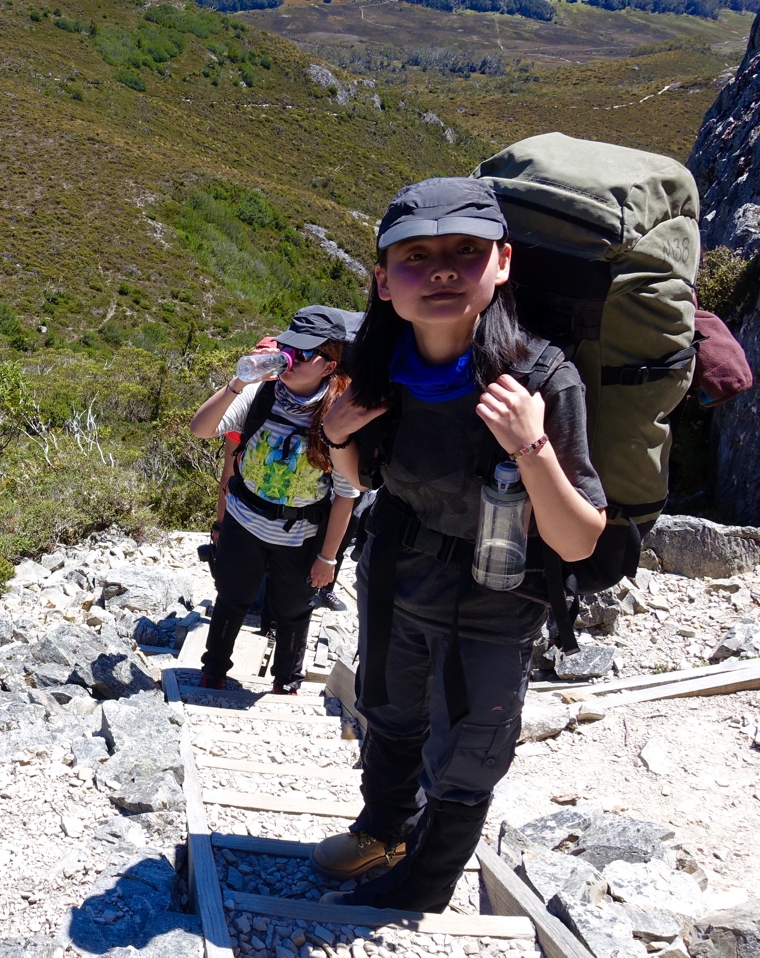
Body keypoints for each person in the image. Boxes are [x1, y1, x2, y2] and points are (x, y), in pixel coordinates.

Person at [311, 178, 606, 911]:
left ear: (501, 263)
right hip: (396, 569)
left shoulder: (540, 378)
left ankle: (423, 886)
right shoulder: (381, 367)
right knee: (388, 709)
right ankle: (383, 830)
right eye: (417, 256)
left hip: (498, 588)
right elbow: (363, 479)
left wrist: (531, 446)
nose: (442, 269)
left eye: (465, 251)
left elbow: (577, 542)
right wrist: (340, 434)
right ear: (383, 281)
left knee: (472, 743)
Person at [189, 306, 364, 695]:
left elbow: (345, 495)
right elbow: (201, 428)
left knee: (293, 610)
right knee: (231, 598)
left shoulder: (335, 416)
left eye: (304, 354)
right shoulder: (259, 394)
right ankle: (213, 671)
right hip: (244, 518)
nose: (289, 358)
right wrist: (238, 382)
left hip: (300, 533)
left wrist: (328, 557)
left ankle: (287, 681)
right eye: (287, 347)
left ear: (328, 366)